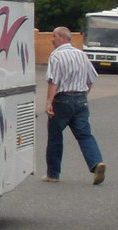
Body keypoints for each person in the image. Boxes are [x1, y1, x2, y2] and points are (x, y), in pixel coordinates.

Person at [44, 26, 107, 185]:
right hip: (80, 99)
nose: (52, 39)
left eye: (54, 36)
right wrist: (83, 95)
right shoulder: (81, 55)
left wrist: (49, 101)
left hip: (62, 99)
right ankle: (96, 162)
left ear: (63, 38)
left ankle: (53, 173)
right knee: (85, 134)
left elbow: (54, 81)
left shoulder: (56, 56)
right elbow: (90, 79)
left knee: (55, 137)